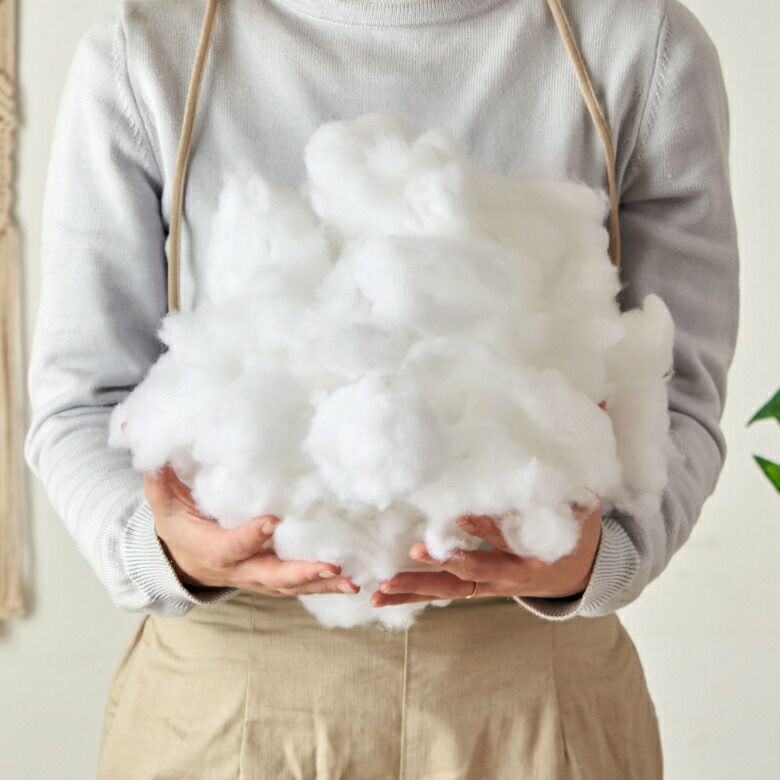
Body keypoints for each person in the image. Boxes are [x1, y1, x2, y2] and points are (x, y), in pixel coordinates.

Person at [24, 0, 739, 777]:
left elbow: (680, 395)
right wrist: (160, 550)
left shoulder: (640, 47)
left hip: (536, 694)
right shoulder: (146, 54)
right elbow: (80, 403)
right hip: (233, 695)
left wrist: (606, 560)